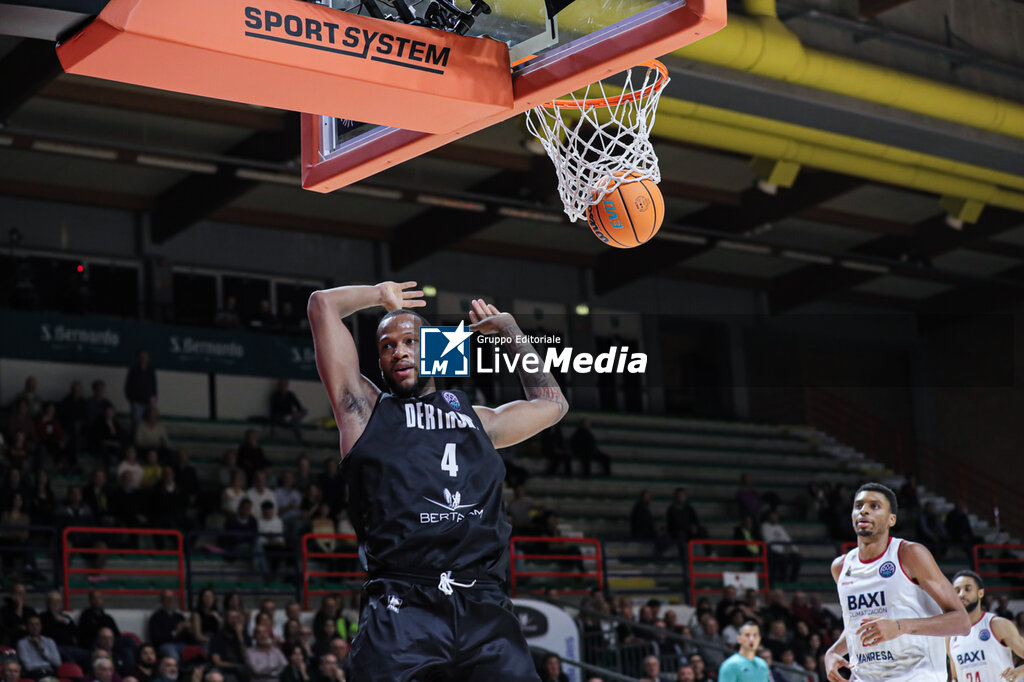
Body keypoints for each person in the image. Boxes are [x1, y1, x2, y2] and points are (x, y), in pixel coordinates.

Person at [307, 281, 568, 681]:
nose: (399, 351)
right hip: (403, 606)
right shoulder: (365, 413)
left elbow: (552, 404)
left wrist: (512, 332)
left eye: (410, 341)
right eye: (387, 346)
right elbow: (322, 304)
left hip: (483, 604)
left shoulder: (477, 419)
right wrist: (380, 295)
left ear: (432, 351)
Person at [823, 482, 970, 682]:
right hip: (864, 676)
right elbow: (855, 625)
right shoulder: (840, 567)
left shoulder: (909, 554)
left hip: (916, 675)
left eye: (874, 506)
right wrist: (833, 652)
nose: (864, 510)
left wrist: (901, 626)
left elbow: (961, 622)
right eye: (858, 506)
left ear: (892, 519)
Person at [948, 570, 1024, 681]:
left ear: (980, 593)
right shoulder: (951, 635)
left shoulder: (997, 625)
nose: (962, 594)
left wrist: (1021, 671)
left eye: (968, 589)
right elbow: (955, 677)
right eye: (957, 591)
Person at [17, 615, 62, 679]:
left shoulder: (49, 641)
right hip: (33, 674)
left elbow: (57, 663)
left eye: (37, 624)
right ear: (27, 627)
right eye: (31, 625)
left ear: (41, 626)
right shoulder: (22, 643)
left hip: (50, 673)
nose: (35, 627)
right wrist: (47, 664)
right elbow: (28, 667)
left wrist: (41, 649)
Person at [125, 351, 157, 433]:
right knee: (136, 424)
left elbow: (154, 388)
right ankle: (134, 443)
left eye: (145, 357)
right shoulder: (133, 371)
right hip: (136, 403)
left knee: (147, 423)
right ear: (138, 358)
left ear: (148, 359)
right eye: (142, 357)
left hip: (148, 403)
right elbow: (128, 386)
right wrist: (132, 400)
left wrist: (153, 404)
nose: (143, 359)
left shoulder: (151, 371)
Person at [270, 380, 308, 444]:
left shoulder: (290, 395)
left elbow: (299, 406)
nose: (283, 387)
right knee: (295, 422)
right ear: (279, 386)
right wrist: (291, 414)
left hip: (291, 416)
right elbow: (275, 410)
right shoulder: (275, 395)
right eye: (282, 385)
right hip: (280, 416)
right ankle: (300, 439)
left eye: (285, 385)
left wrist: (297, 413)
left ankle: (293, 418)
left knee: (305, 411)